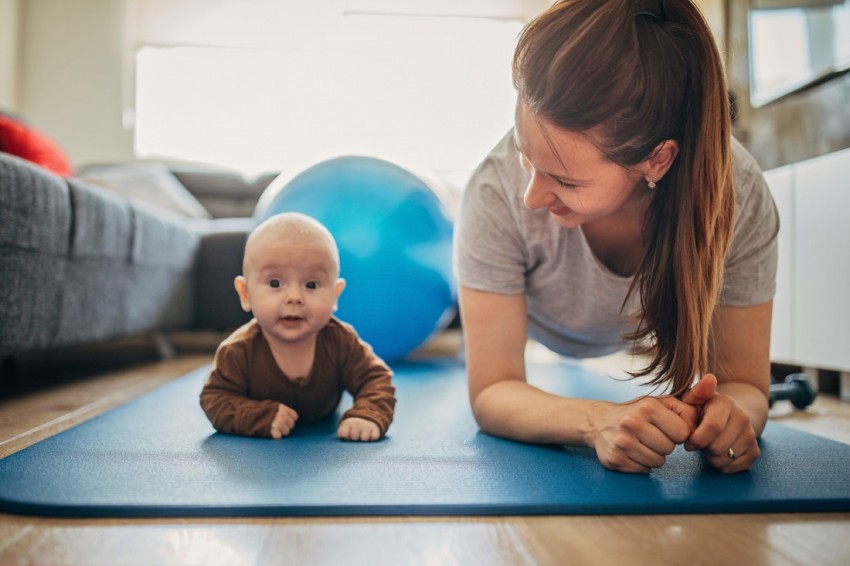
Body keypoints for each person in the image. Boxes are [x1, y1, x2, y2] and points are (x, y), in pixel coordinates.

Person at [455, 0, 778, 473]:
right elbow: (491, 390)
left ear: (658, 161)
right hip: (532, 317)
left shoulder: (738, 196)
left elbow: (745, 387)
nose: (530, 197)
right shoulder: (493, 191)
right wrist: (595, 421)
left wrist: (733, 418)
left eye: (564, 181)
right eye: (526, 157)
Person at [200, 212, 396, 441]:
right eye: (275, 283)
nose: (294, 297)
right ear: (245, 294)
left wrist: (368, 414)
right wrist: (258, 416)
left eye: (311, 285)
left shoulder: (341, 341)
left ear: (335, 295)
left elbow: (376, 379)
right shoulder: (237, 352)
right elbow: (215, 398)